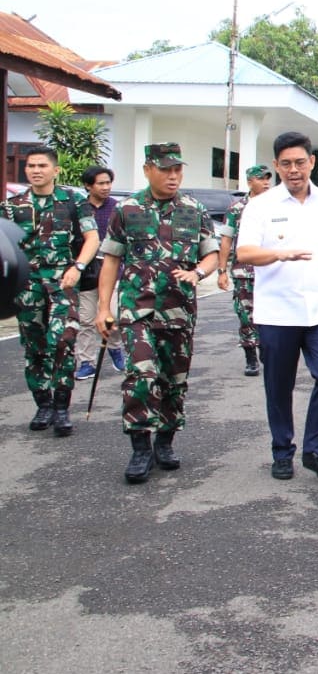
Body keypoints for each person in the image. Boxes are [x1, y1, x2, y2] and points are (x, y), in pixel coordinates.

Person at [235, 132, 318, 484]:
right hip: (277, 312)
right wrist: (281, 253)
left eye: (300, 162)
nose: (293, 170)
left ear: (312, 163)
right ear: (277, 166)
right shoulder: (261, 205)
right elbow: (244, 253)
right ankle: (282, 450)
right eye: (286, 164)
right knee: (278, 385)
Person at [96, 143, 220, 483]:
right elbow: (111, 260)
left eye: (178, 169)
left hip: (179, 309)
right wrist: (103, 307)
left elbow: (212, 255)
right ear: (148, 169)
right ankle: (139, 447)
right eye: (166, 169)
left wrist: (199, 273)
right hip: (137, 309)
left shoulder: (194, 210)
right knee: (141, 376)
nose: (173, 175)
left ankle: (164, 442)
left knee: (173, 381)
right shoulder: (127, 209)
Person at [4, 146, 99, 437]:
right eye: (31, 166)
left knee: (62, 341)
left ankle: (61, 407)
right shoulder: (12, 205)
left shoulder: (73, 201)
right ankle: (42, 404)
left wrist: (78, 267)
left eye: (42, 165)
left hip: (62, 283)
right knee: (35, 347)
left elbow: (92, 238)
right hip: (27, 286)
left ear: (55, 170)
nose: (35, 170)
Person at [217, 165, 274, 376]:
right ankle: (251, 356)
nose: (267, 182)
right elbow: (226, 240)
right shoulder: (237, 209)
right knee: (245, 314)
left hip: (271, 271)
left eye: (268, 178)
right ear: (250, 181)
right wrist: (222, 270)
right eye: (261, 179)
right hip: (245, 272)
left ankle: (267, 351)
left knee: (270, 314)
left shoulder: (278, 207)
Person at [74, 165, 124, 380]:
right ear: (88, 185)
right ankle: (86, 361)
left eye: (108, 183)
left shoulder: (117, 208)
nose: (106, 187)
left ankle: (115, 349)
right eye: (100, 183)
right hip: (86, 272)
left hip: (112, 270)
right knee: (85, 319)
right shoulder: (79, 208)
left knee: (112, 313)